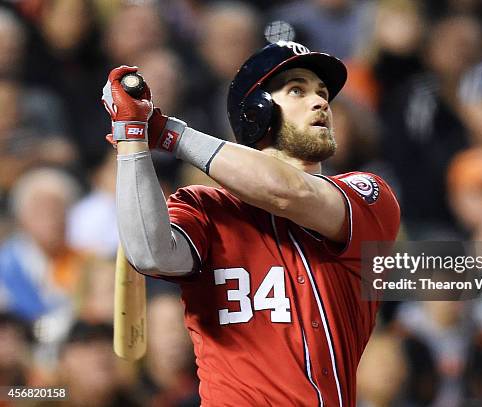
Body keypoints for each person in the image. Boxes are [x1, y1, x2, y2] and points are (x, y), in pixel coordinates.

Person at [101, 40, 400, 406]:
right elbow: (149, 254)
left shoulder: (368, 194)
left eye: (322, 93)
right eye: (297, 90)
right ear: (257, 112)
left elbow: (287, 192)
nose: (321, 102)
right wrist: (132, 138)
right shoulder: (205, 207)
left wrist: (167, 132)